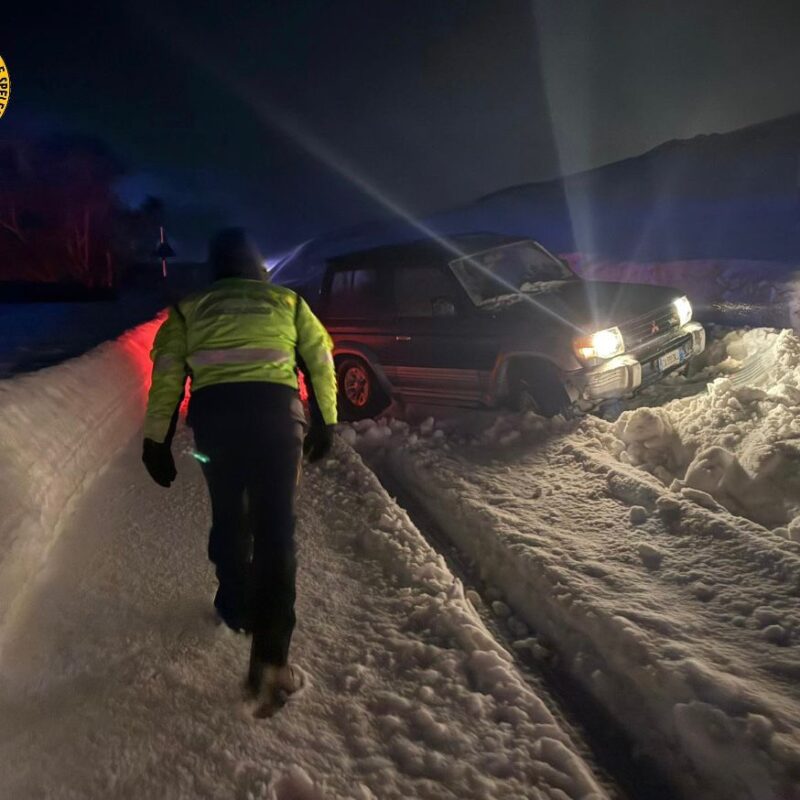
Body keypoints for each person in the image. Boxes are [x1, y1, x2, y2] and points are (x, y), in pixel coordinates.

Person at [141, 227, 337, 716]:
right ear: (258, 268)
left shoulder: (188, 310)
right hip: (277, 425)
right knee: (276, 532)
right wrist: (326, 423)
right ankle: (271, 661)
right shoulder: (289, 304)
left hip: (217, 427)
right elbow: (319, 360)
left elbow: (167, 375)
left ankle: (234, 606)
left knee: (228, 514)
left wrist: (156, 440)